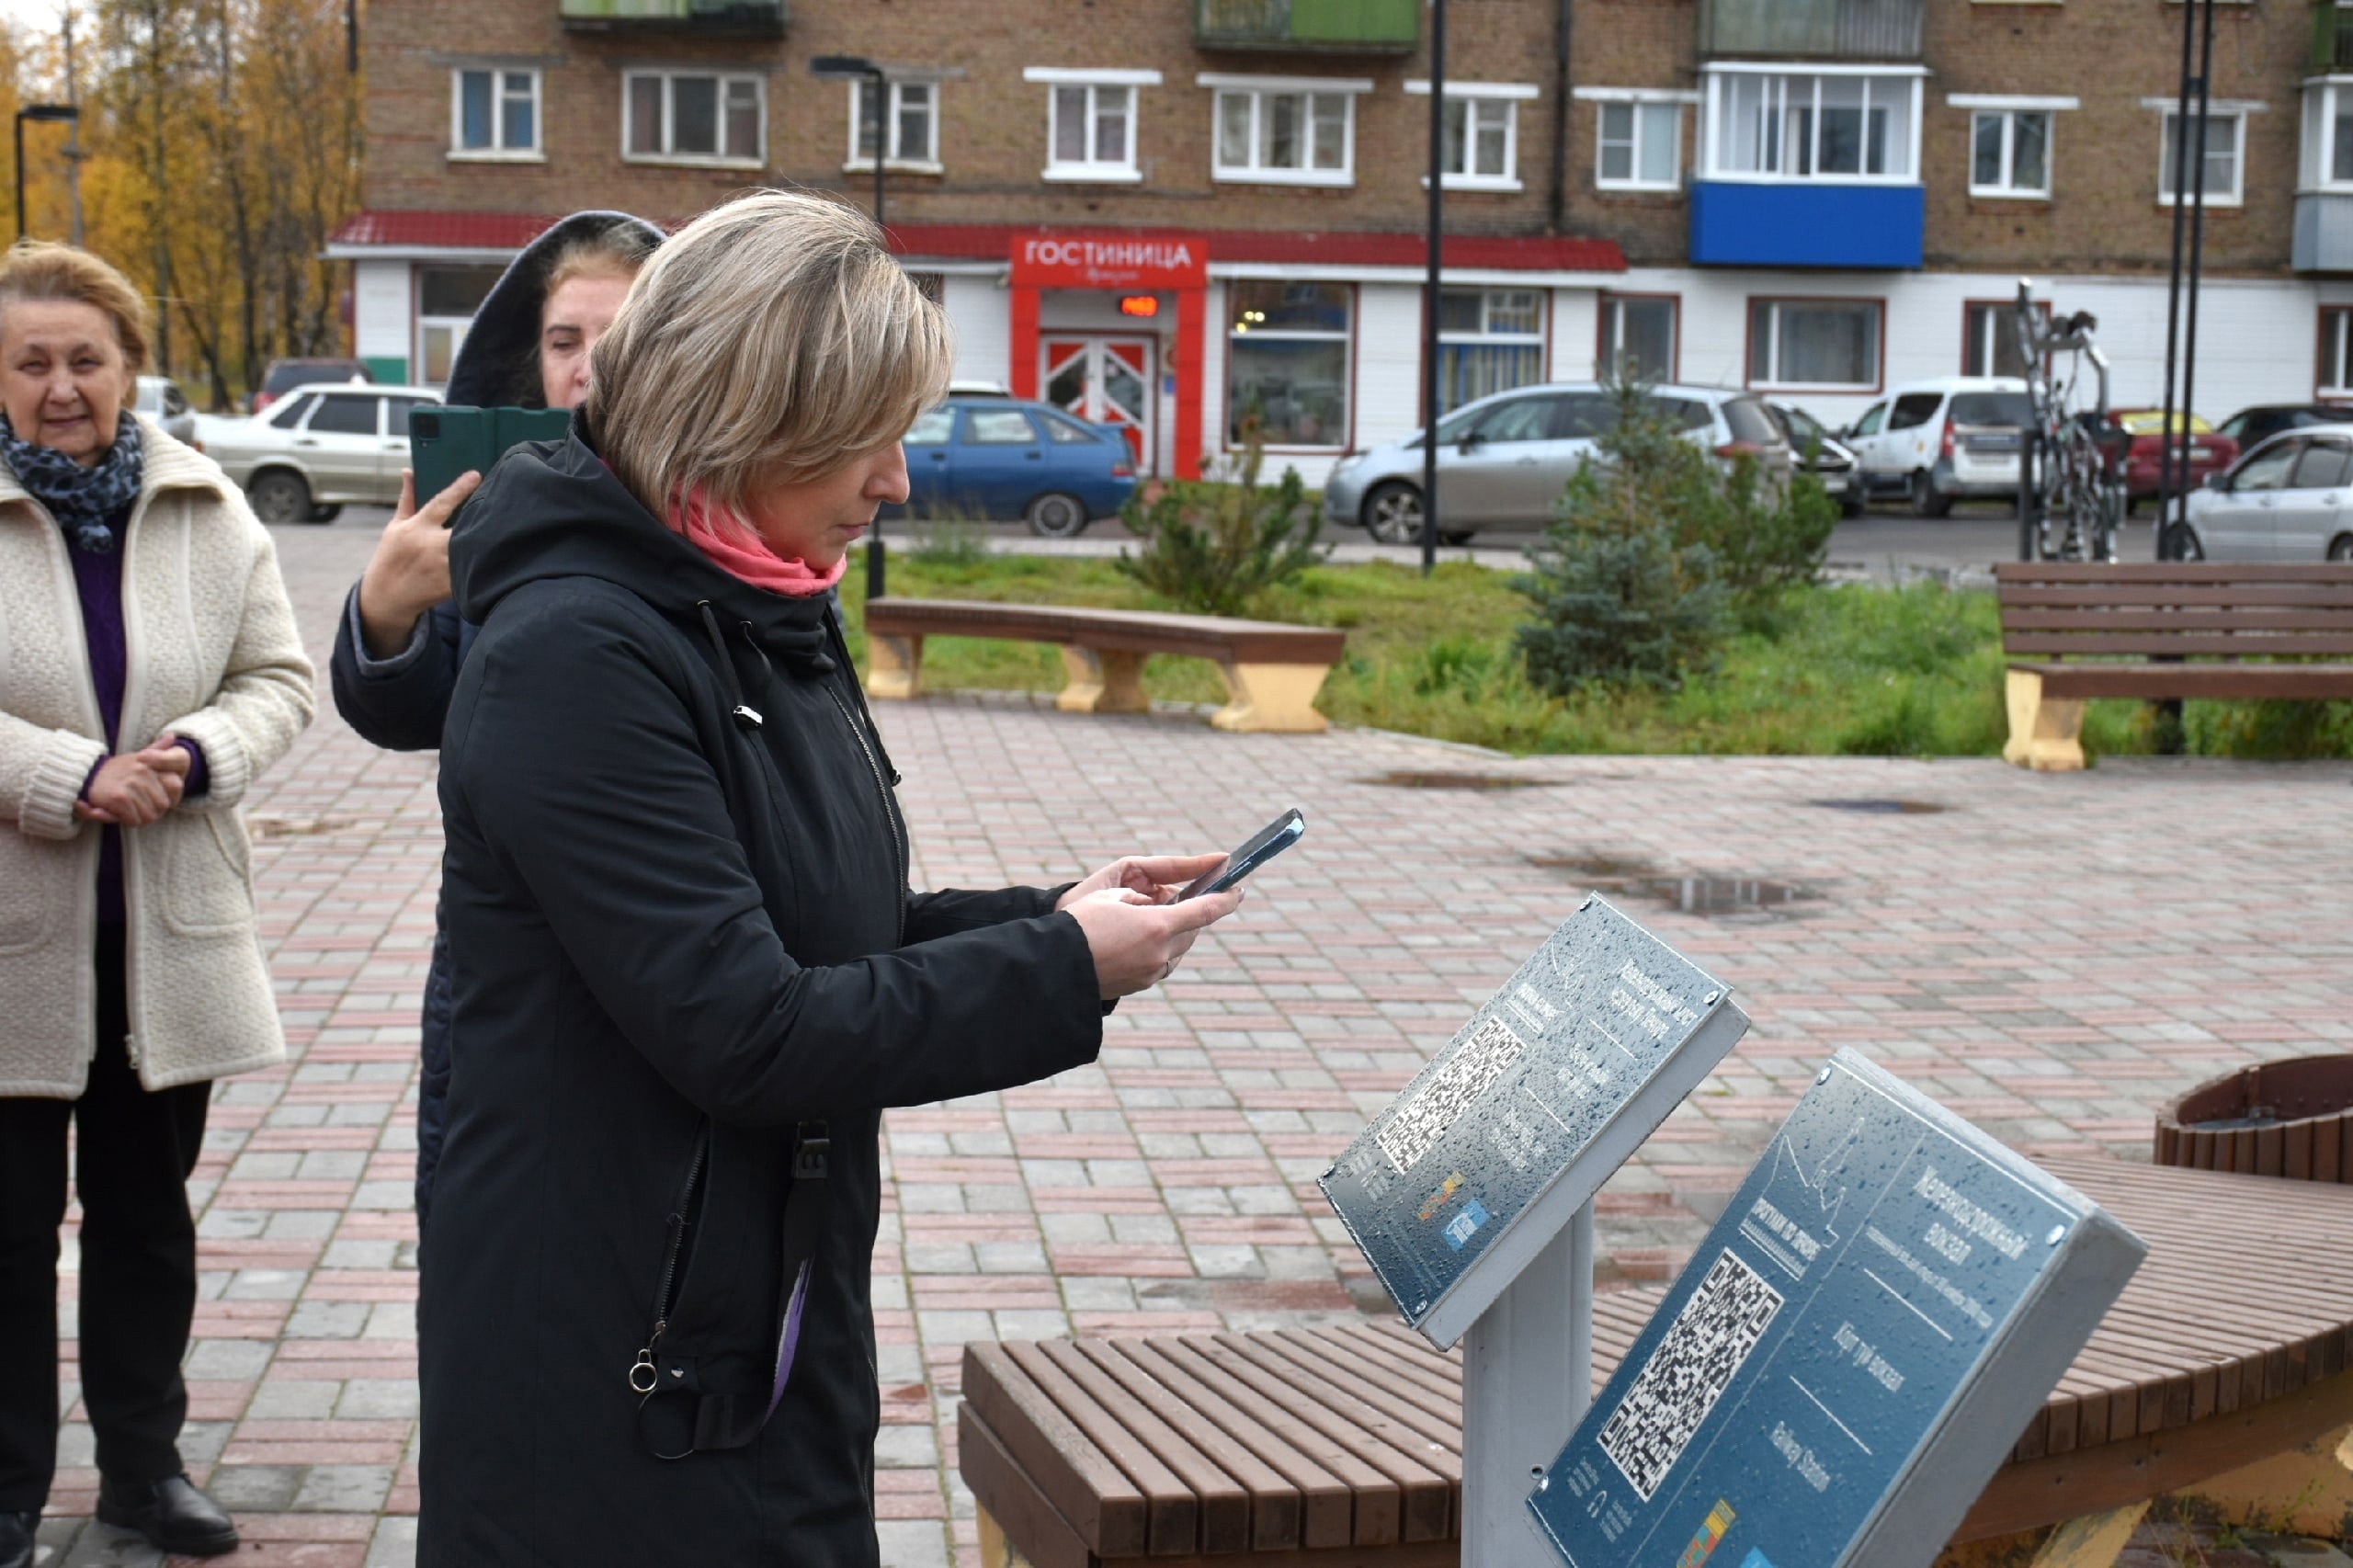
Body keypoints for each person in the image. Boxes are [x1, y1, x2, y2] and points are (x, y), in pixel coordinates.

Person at [417, 190, 1245, 1565]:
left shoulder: (755, 605)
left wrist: (1055, 916)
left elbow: (825, 927)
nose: (899, 480)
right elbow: (749, 1028)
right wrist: (1059, 969)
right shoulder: (579, 654)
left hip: (750, 1315)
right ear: (746, 415)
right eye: (871, 436)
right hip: (617, 1355)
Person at [0, 242, 314, 1567]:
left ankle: (144, 1470)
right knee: (6, 1236)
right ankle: (7, 1488)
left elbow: (280, 680)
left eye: (85, 357)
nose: (61, 385)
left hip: (166, 938)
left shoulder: (208, 509)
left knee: (144, 1222)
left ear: (130, 365)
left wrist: (193, 758)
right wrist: (68, 774)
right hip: (12, 941)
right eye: (31, 363)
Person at [328, 211, 662, 1218]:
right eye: (565, 341)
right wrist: (387, 609)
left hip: (686, 930)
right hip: (516, 949)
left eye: (619, 338)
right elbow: (411, 711)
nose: (586, 366)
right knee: (503, 1229)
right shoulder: (491, 501)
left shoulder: (738, 513)